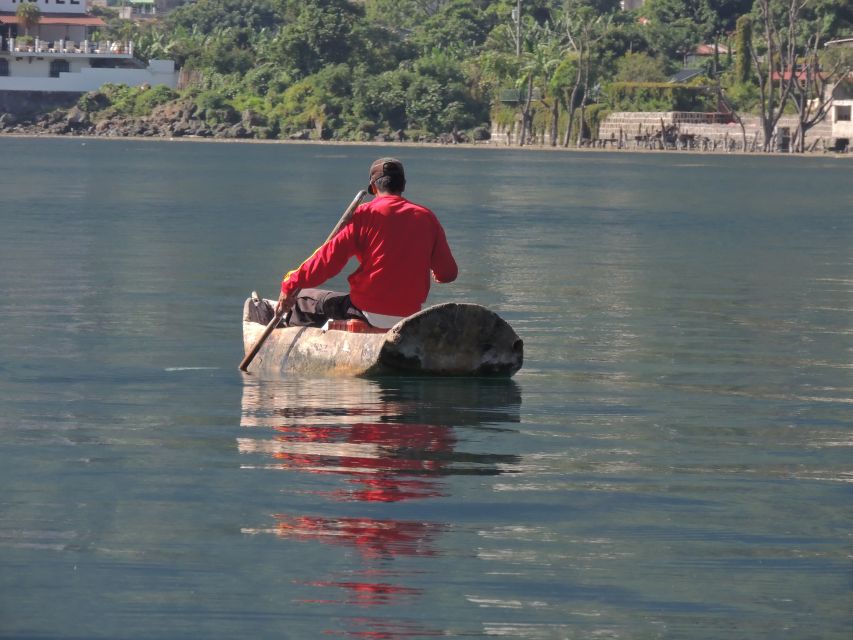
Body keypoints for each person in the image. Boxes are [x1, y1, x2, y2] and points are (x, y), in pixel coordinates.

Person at [274, 157, 457, 329]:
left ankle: (297, 350)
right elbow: (448, 274)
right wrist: (436, 274)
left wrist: (290, 284)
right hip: (409, 318)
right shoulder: (426, 217)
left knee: (303, 299)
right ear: (403, 186)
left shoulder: (365, 214)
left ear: (373, 188)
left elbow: (328, 260)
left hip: (367, 311)